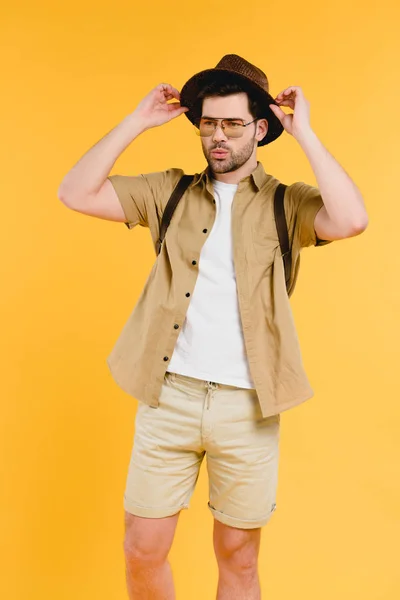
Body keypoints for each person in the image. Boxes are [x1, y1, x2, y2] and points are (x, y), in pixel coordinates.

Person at [58, 54, 368, 600]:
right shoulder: (170, 191)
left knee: (239, 560)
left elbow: (350, 220)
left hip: (247, 406)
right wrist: (136, 121)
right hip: (167, 398)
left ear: (261, 128)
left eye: (231, 123)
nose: (217, 136)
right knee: (141, 550)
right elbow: (75, 192)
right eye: (207, 123)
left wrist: (308, 136)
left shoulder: (284, 202)